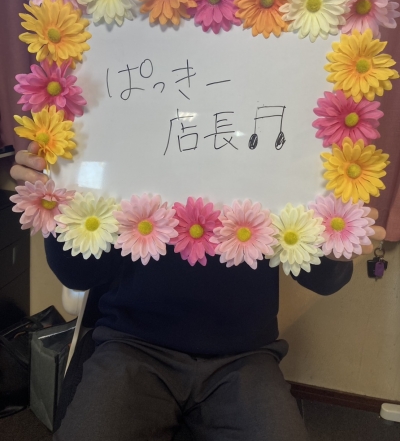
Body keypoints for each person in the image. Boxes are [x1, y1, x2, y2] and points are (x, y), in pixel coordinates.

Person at [11, 142, 385, 441]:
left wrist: (338, 246)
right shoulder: (128, 138)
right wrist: (56, 200)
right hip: (133, 346)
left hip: (243, 357)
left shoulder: (275, 146)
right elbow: (78, 273)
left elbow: (323, 280)